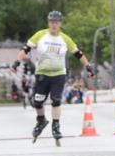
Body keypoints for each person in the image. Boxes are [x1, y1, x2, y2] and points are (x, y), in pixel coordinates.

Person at [12, 10, 94, 144]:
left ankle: (56, 126)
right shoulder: (40, 35)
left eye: (56, 22)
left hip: (58, 74)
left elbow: (78, 54)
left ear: (60, 24)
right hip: (42, 74)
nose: (54, 25)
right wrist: (17, 63)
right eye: (51, 22)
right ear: (48, 23)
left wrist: (88, 66)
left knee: (56, 100)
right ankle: (41, 121)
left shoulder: (65, 38)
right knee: (37, 102)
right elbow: (25, 49)